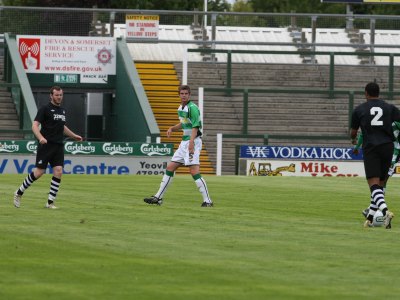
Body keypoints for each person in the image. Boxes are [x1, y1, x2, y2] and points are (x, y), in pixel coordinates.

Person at [13, 86, 82, 209]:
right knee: (39, 173)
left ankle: (50, 202)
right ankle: (19, 192)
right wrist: (40, 138)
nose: (59, 97)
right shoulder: (44, 109)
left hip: (58, 146)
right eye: (56, 95)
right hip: (46, 145)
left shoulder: (62, 111)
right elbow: (35, 126)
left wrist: (74, 135)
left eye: (60, 95)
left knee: (58, 171)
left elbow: (62, 127)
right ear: (51, 95)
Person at [144, 84, 213, 207]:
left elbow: (195, 127)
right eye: (182, 93)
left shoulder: (193, 108)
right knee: (170, 167)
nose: (184, 95)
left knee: (194, 171)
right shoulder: (180, 108)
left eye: (186, 93)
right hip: (184, 142)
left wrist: (191, 143)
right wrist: (172, 128)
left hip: (193, 141)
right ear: (179, 95)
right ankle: (158, 198)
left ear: (189, 95)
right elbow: (184, 123)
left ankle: (208, 201)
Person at [350, 82, 400, 229]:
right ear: (379, 93)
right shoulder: (389, 108)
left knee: (373, 185)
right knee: (380, 185)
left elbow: (353, 132)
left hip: (372, 148)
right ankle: (370, 218)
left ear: (366, 93)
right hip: (388, 148)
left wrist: (354, 141)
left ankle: (385, 211)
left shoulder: (360, 109)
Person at [353, 121, 400, 219]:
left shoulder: (393, 121)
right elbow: (363, 134)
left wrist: (357, 147)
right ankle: (375, 210)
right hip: (385, 151)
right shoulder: (388, 117)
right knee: (380, 181)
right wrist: (357, 146)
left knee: (380, 181)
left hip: (389, 152)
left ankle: (376, 210)